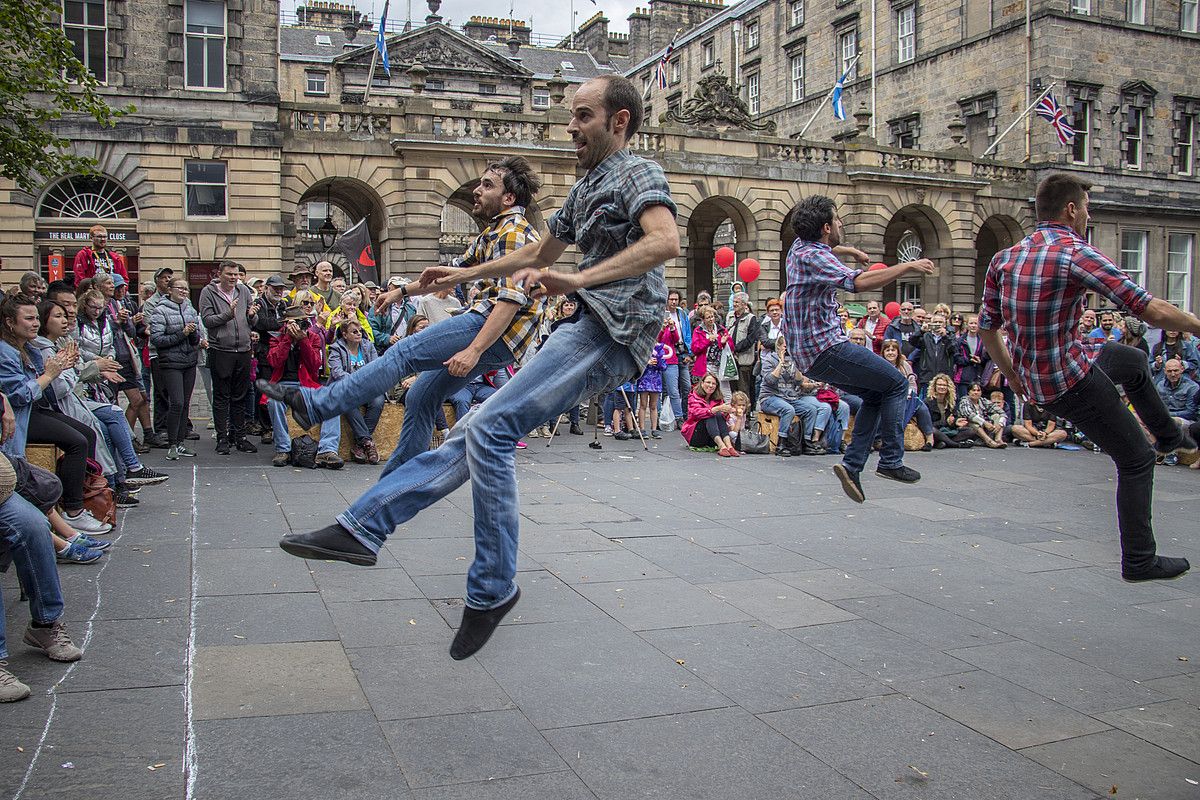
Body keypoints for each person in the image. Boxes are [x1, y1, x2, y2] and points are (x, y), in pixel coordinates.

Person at [272, 74, 679, 660]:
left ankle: (491, 589)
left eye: (583, 116)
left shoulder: (639, 173)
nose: (570, 126)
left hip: (612, 330)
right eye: (571, 115)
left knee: (488, 428)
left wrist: (580, 278)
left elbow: (665, 241)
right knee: (472, 433)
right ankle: (362, 530)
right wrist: (460, 276)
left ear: (618, 120)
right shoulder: (589, 182)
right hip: (584, 324)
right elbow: (538, 254)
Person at [980, 172, 1199, 582]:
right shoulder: (1074, 253)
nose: (1087, 217)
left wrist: (1012, 375)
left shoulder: (1005, 257)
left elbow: (986, 328)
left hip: (1045, 370)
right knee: (1136, 459)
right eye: (1086, 209)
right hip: (1070, 381)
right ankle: (1140, 560)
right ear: (1071, 210)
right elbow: (1147, 308)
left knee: (1133, 362)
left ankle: (1169, 434)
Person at [784, 195, 934, 503]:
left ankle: (852, 466)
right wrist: (907, 265)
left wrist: (848, 249)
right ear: (826, 227)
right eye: (837, 220)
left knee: (875, 394)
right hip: (827, 349)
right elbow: (858, 283)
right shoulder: (815, 256)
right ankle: (891, 461)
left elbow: (827, 252)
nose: (841, 224)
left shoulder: (799, 248)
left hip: (812, 356)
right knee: (897, 383)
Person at [0, 297, 111, 534]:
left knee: (87, 433)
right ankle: (74, 511)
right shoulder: (6, 352)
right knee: (77, 442)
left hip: (35, 409)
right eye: (28, 319)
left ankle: (81, 498)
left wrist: (62, 367)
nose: (34, 324)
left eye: (36, 319)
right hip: (20, 417)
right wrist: (51, 373)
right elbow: (20, 395)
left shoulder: (28, 347)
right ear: (10, 322)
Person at [265, 301, 344, 469]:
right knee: (274, 401)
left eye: (302, 322)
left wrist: (303, 341)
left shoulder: (312, 337)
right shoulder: (276, 337)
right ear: (286, 324)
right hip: (283, 384)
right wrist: (287, 339)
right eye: (294, 322)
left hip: (307, 384)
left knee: (332, 401)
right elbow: (274, 361)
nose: (299, 326)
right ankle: (283, 449)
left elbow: (315, 365)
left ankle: (327, 450)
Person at [198, 260, 259, 455]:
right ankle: (222, 438)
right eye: (230, 274)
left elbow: (252, 320)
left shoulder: (244, 292)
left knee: (240, 395)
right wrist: (228, 314)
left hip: (242, 349)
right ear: (220, 274)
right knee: (222, 396)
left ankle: (239, 436)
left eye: (236, 275)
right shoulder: (209, 292)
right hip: (221, 349)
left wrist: (251, 315)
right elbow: (207, 321)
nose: (234, 278)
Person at [149, 278, 202, 460]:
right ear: (170, 290)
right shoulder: (161, 310)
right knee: (177, 402)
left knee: (186, 403)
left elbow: (196, 339)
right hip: (170, 362)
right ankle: (172, 444)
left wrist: (194, 333)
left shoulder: (190, 309)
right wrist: (183, 333)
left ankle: (180, 442)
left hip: (189, 361)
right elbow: (157, 340)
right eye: (180, 288)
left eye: (186, 288)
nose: (184, 291)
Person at [327, 319, 383, 464]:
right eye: (354, 331)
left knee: (378, 400)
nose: (359, 334)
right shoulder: (336, 348)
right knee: (348, 402)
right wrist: (356, 381)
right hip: (346, 387)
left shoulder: (368, 346)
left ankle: (361, 443)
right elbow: (337, 372)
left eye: (360, 331)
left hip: (367, 387)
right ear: (345, 334)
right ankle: (368, 443)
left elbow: (376, 367)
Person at [881, 338, 934, 450]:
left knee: (922, 408)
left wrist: (911, 392)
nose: (890, 353)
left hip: (907, 396)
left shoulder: (904, 365)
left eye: (893, 350)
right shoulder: (880, 365)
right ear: (883, 352)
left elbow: (912, 383)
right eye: (888, 350)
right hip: (888, 398)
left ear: (898, 352)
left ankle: (930, 439)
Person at [681, 374, 738, 456]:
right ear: (702, 383)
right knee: (710, 414)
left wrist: (726, 412)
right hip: (696, 435)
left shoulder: (718, 398)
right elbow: (696, 413)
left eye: (713, 384)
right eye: (708, 382)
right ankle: (722, 446)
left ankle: (729, 446)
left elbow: (723, 418)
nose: (711, 386)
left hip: (712, 436)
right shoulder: (693, 396)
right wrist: (715, 409)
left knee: (718, 415)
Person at [909, 311, 962, 394]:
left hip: (944, 377)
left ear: (945, 324)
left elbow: (954, 349)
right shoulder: (926, 336)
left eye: (940, 322)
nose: (937, 324)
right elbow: (912, 341)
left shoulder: (950, 336)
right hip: (927, 376)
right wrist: (921, 331)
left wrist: (945, 337)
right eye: (935, 322)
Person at [690, 305, 732, 401]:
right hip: (706, 365)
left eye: (712, 316)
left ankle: (728, 414)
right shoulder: (698, 331)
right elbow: (695, 349)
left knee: (726, 392)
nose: (711, 319)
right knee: (706, 392)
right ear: (703, 319)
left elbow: (731, 346)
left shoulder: (721, 329)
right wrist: (708, 341)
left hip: (721, 365)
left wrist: (724, 342)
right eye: (708, 317)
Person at [725, 292, 760, 405]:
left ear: (744, 304)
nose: (734, 304)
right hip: (730, 359)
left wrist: (735, 348)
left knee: (743, 388)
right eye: (734, 302)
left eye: (737, 302)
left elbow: (750, 339)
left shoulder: (751, 318)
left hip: (744, 359)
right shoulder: (729, 316)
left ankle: (746, 414)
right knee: (732, 388)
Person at [924, 373, 975, 449]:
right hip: (935, 430)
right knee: (932, 430)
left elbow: (952, 420)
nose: (942, 387)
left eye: (944, 385)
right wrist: (946, 422)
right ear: (935, 386)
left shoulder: (951, 402)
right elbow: (927, 424)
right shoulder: (928, 402)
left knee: (971, 431)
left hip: (948, 431)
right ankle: (956, 444)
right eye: (939, 385)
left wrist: (956, 422)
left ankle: (943, 442)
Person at [665, 289, 693, 424]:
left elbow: (688, 334)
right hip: (669, 353)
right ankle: (677, 417)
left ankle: (685, 414)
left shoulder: (682, 314)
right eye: (671, 299)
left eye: (676, 299)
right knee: (672, 389)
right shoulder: (662, 314)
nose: (674, 302)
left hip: (682, 351)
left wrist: (689, 353)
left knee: (687, 386)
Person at [957, 382, 1007, 448]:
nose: (976, 392)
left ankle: (998, 439)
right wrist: (984, 422)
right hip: (968, 427)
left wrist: (1000, 424)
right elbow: (970, 415)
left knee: (996, 416)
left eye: (978, 390)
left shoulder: (983, 401)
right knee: (974, 422)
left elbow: (1002, 412)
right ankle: (989, 441)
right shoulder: (964, 400)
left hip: (984, 428)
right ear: (969, 392)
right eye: (973, 390)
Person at [1154, 358, 1198, 422]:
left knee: (1174, 421)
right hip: (1164, 417)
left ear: (1182, 369)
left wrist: (1168, 415)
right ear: (1164, 371)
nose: (1173, 374)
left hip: (1185, 420)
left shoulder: (1192, 386)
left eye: (1176, 370)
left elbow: (1191, 412)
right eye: (1169, 371)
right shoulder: (1160, 385)